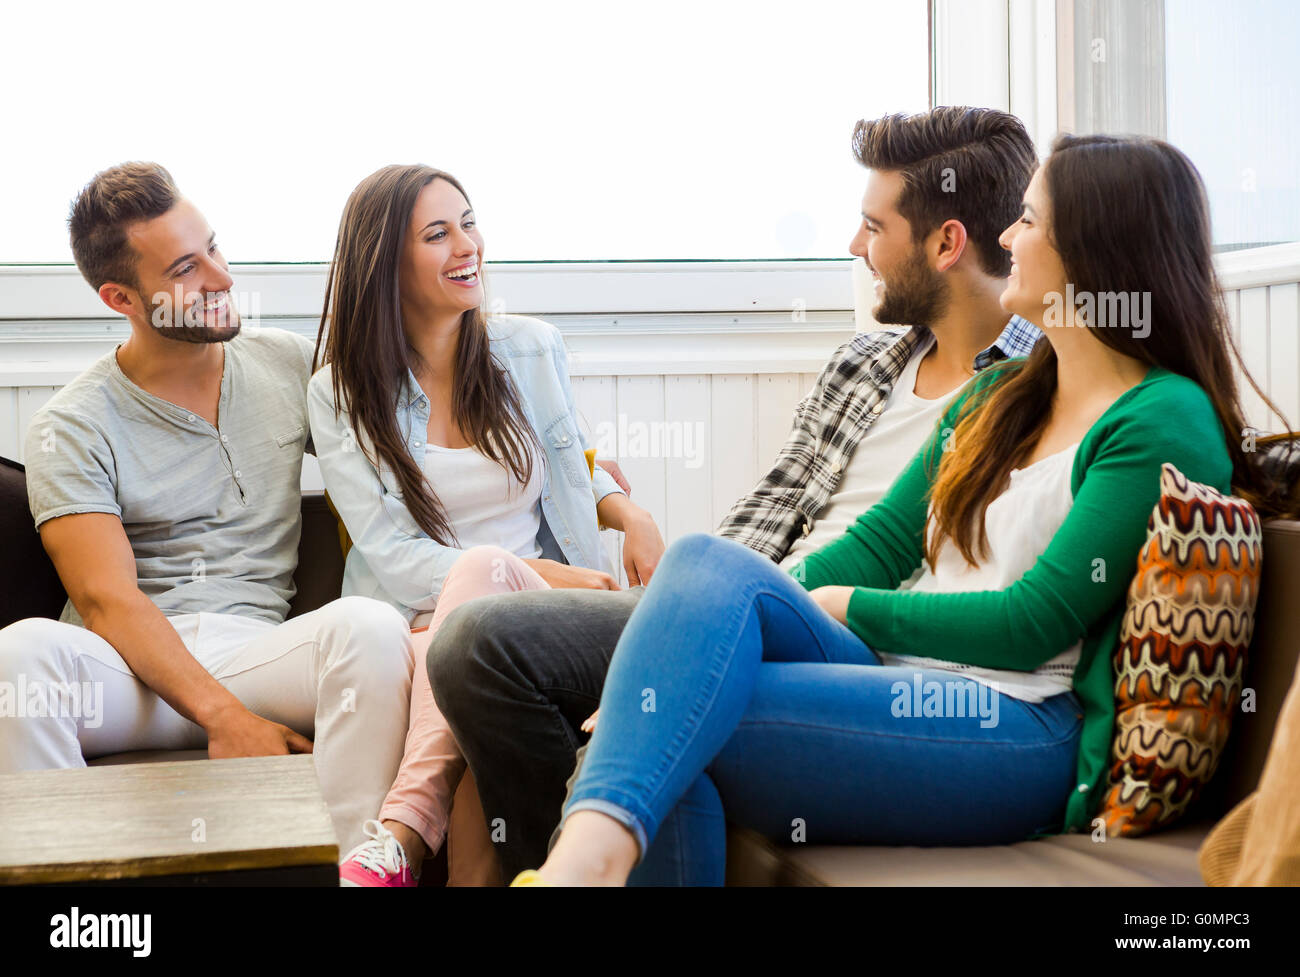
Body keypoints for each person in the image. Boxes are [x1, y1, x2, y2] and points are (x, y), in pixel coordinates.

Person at [524, 132, 1290, 885]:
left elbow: (1034, 623)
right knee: (699, 572)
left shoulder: (1161, 415)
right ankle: (585, 866)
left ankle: (579, 867)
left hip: (1016, 722)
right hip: (892, 678)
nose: (1009, 237)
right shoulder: (1004, 394)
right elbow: (878, 542)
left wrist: (849, 607)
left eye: (1028, 219)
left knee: (670, 735)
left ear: (1091, 249)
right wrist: (701, 652)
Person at [428, 106, 1043, 880]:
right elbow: (767, 514)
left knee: (659, 712)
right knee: (477, 644)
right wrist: (674, 643)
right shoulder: (864, 363)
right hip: (760, 605)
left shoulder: (1035, 387)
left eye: (872, 226)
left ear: (946, 242)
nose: (856, 248)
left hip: (863, 648)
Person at [0, 163, 414, 855]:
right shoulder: (70, 422)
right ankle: (78, 905)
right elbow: (107, 601)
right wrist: (223, 716)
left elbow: (398, 453)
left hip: (255, 649)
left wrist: (584, 477)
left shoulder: (284, 363)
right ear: (120, 297)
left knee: (371, 629)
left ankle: (355, 875)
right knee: (16, 660)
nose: (222, 277)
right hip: (128, 671)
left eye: (215, 248)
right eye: (187, 268)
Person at [308, 164, 664, 886]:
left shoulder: (530, 349)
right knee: (475, 588)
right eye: (438, 234)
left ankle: (402, 835)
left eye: (469, 222)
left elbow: (572, 465)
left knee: (482, 738)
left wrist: (631, 513)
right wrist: (548, 575)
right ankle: (414, 830)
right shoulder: (339, 392)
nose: (467, 245)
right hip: (421, 616)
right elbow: (396, 556)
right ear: (385, 264)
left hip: (532, 616)